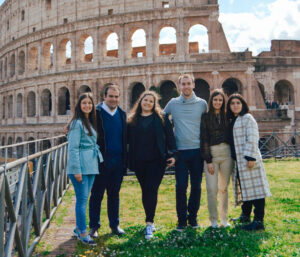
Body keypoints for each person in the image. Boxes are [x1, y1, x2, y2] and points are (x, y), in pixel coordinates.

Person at [127, 91, 177, 239]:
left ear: (154, 104)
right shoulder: (132, 120)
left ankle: (149, 222)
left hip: (157, 160)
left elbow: (170, 137)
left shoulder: (161, 118)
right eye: (145, 100)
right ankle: (149, 219)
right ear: (140, 102)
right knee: (145, 190)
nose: (148, 103)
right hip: (139, 160)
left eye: (151, 101)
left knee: (151, 189)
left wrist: (173, 154)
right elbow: (126, 140)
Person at [164, 74, 207, 231]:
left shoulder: (202, 104)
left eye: (189, 83)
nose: (186, 86)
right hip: (180, 152)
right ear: (179, 86)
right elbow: (161, 118)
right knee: (180, 186)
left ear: (193, 84)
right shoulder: (173, 104)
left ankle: (193, 218)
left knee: (196, 186)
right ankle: (181, 220)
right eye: (183, 84)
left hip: (197, 151)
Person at [226, 93, 271, 231]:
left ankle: (258, 221)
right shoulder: (233, 119)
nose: (235, 105)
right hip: (238, 161)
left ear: (243, 104)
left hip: (248, 160)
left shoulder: (248, 118)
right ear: (229, 106)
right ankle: (245, 215)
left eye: (238, 103)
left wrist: (250, 157)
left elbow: (252, 138)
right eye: (232, 103)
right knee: (245, 189)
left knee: (257, 191)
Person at [89, 84, 127, 237]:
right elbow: (80, 123)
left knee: (114, 194)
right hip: (100, 161)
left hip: (117, 161)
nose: (114, 99)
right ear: (104, 97)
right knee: (97, 194)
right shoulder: (95, 113)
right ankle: (94, 226)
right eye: (111, 96)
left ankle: (114, 225)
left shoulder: (122, 114)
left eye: (116, 96)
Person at [67, 92, 103, 246]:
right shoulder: (77, 123)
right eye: (84, 103)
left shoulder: (88, 121)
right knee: (81, 201)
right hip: (81, 166)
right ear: (79, 106)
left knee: (84, 199)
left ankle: (78, 229)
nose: (87, 105)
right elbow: (73, 148)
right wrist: (76, 170)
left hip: (90, 165)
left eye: (90, 103)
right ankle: (82, 232)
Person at [201, 89, 233, 228]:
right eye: (215, 100)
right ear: (211, 101)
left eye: (220, 100)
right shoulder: (205, 117)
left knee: (224, 188)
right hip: (212, 153)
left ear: (223, 102)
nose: (218, 102)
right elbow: (204, 138)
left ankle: (224, 218)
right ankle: (213, 219)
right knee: (211, 188)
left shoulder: (227, 116)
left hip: (226, 153)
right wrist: (208, 160)